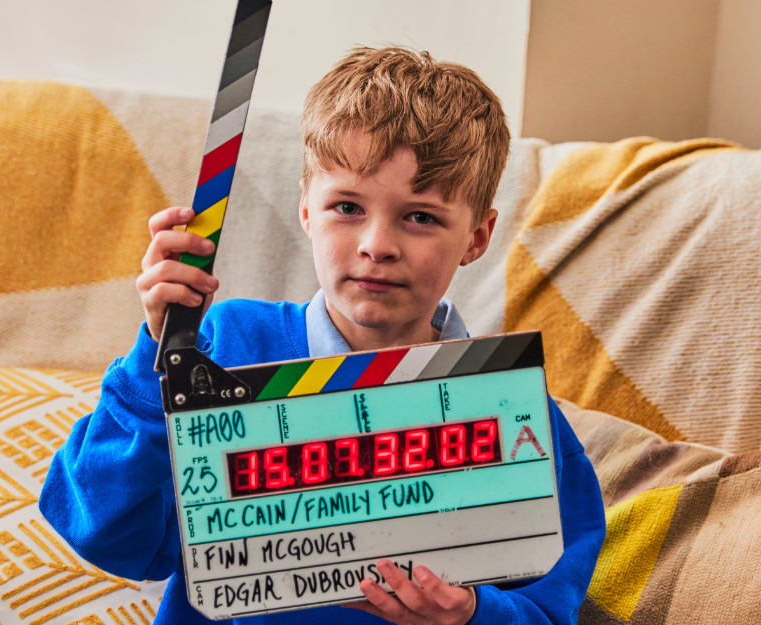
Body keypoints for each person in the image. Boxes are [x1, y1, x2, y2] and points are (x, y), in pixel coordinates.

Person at [41, 46, 606, 625]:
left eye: (421, 217)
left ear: (477, 237)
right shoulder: (223, 351)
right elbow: (104, 532)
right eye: (347, 206)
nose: (377, 244)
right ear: (307, 210)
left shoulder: (515, 412)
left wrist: (470, 616)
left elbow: (549, 608)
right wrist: (159, 361)